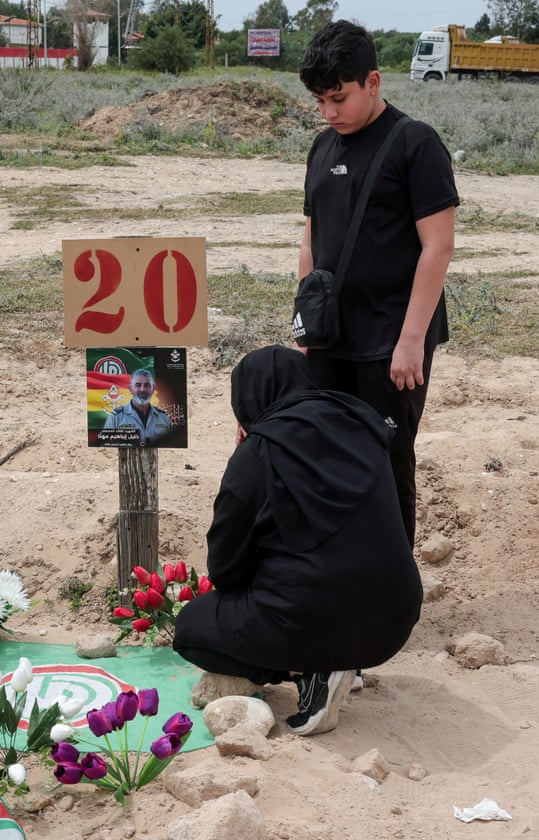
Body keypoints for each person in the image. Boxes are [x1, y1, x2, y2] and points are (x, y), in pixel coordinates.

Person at [172, 346, 422, 735]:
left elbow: (224, 568)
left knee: (190, 629)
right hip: (394, 621)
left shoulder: (259, 452)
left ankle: (307, 672)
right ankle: (341, 664)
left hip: (312, 619)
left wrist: (243, 461)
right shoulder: (362, 424)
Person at [298, 19, 458, 548]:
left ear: (374, 81)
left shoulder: (415, 143)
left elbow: (438, 246)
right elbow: (310, 242)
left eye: (339, 98)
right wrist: (305, 330)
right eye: (321, 100)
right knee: (326, 458)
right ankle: (340, 578)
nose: (329, 112)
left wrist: (412, 341)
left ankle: (392, 588)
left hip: (392, 342)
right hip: (331, 338)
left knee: (387, 462)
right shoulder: (322, 148)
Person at [102, 369, 172, 446]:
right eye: (138, 385)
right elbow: (106, 447)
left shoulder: (163, 417)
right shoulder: (116, 417)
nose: (143, 389)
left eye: (147, 385)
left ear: (153, 388)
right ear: (130, 389)